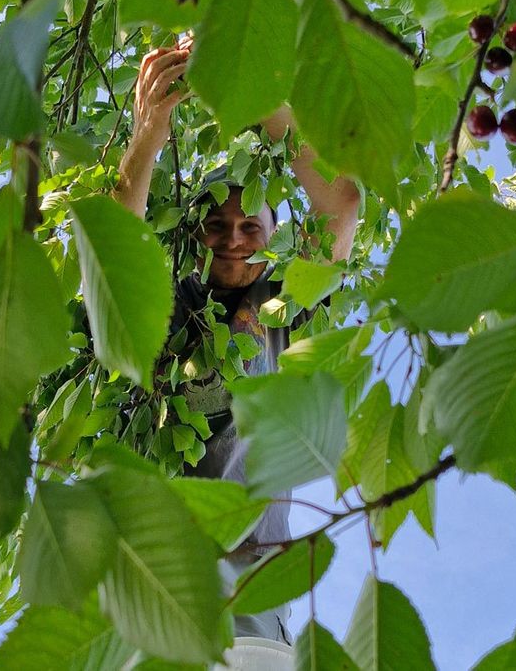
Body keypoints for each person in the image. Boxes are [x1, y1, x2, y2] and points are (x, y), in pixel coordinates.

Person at [111, 40, 360, 643]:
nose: (233, 239)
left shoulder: (281, 308)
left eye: (251, 226)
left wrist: (251, 91)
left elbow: (342, 204)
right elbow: (115, 245)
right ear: (194, 233)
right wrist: (149, 133)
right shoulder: (170, 307)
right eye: (217, 225)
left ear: (275, 238)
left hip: (247, 579)